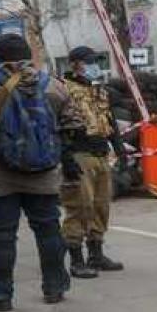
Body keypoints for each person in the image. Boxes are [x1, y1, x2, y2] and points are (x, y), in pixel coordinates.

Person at [0, 35, 79, 310]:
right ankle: (54, 287)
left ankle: (0, 295)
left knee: (1, 235)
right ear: (28, 54)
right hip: (44, 173)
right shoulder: (53, 85)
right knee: (49, 230)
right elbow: (74, 126)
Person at [60, 45, 126, 277]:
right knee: (79, 206)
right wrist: (66, 157)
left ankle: (96, 254)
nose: (95, 66)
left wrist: (119, 148)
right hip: (79, 154)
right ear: (75, 64)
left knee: (101, 205)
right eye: (89, 62)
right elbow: (57, 126)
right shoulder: (63, 89)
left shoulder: (99, 90)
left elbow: (110, 121)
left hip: (100, 154)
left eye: (96, 61)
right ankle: (77, 260)